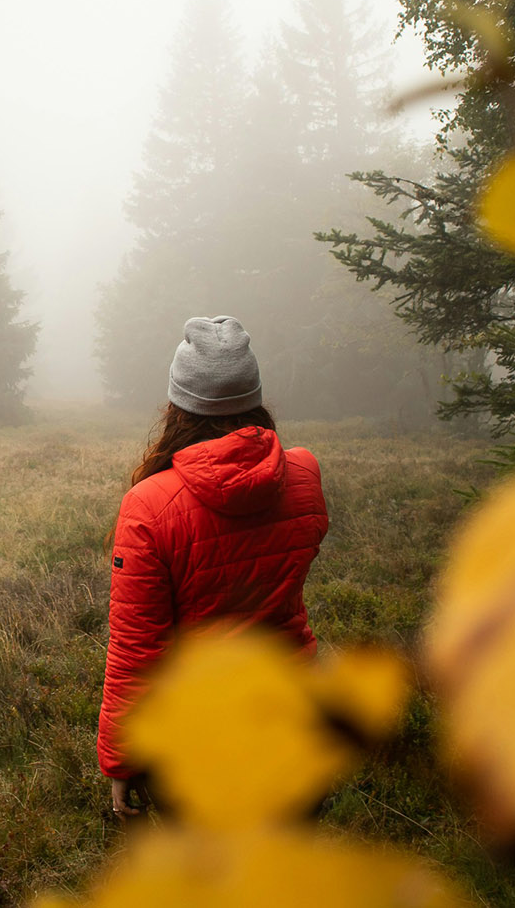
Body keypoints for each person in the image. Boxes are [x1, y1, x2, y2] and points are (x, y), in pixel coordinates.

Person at [97, 315, 329, 818]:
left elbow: (138, 649)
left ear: (178, 404)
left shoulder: (148, 504)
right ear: (255, 397)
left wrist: (120, 759)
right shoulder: (305, 474)